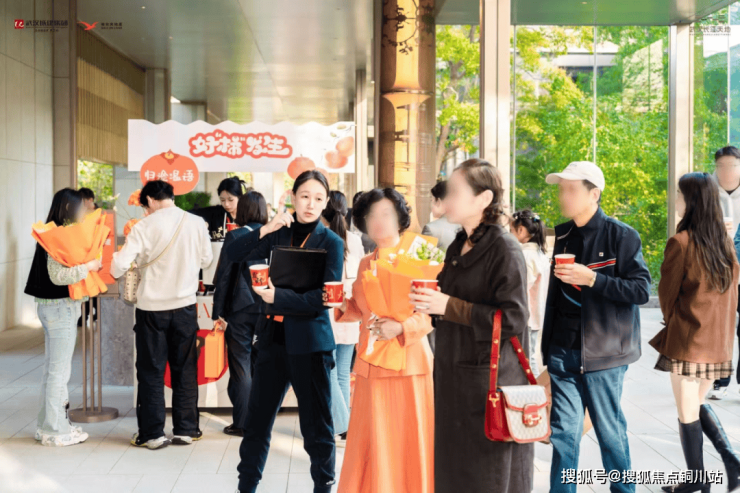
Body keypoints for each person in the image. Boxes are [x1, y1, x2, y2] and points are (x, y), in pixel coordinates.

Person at [410, 159, 532, 492]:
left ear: (483, 199)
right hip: (454, 380)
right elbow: (448, 302)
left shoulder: (504, 248)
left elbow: (514, 318)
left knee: (484, 476)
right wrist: (428, 302)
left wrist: (448, 306)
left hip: (488, 386)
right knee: (452, 473)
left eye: (455, 192)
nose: (446, 199)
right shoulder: (458, 243)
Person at [224, 170, 343, 493]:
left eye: (318, 198)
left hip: (311, 344)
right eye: (305, 196)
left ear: (325, 203)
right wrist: (266, 228)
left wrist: (278, 297)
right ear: (292, 197)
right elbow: (233, 254)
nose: (310, 204)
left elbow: (325, 298)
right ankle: (246, 487)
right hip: (271, 341)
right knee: (256, 424)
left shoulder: (331, 242)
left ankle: (323, 487)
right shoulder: (277, 233)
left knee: (317, 428)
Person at [540, 161, 651, 493]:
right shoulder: (563, 235)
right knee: (564, 434)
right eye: (561, 189)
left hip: (605, 353)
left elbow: (641, 290)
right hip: (562, 350)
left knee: (609, 432)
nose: (563, 196)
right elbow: (554, 298)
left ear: (594, 194)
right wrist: (547, 351)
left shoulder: (622, 235)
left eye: (571, 190)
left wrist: (593, 279)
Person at [330, 188, 434, 493]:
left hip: (409, 363)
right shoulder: (366, 261)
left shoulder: (420, 251)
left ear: (400, 218)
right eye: (371, 215)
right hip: (371, 364)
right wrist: (340, 304)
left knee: (408, 438)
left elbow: (433, 311)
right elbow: (360, 310)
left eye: (385, 213)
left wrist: (401, 327)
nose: (378, 221)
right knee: (373, 439)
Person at [651, 172, 740, 493]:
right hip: (718, 342)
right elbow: (732, 295)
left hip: (689, 340)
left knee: (687, 410)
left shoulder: (681, 242)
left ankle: (700, 479)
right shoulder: (725, 245)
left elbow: (666, 296)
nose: (675, 199)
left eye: (679, 194)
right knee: (697, 404)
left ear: (691, 201)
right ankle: (727, 463)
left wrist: (674, 321)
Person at [111, 180, 213, 450]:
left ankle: (152, 434)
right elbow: (206, 260)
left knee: (151, 371)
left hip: (151, 310)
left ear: (150, 200)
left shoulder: (143, 226)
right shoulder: (196, 223)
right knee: (185, 369)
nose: (145, 211)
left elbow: (117, 267)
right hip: (185, 307)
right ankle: (186, 430)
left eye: (145, 206)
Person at [24, 188, 102, 447]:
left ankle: (46, 427)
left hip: (50, 307)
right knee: (59, 373)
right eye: (81, 208)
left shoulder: (50, 233)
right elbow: (59, 277)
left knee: (52, 371)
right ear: (69, 208)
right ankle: (56, 431)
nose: (84, 212)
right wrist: (89, 266)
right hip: (61, 308)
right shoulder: (58, 236)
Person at [212, 191, 269, 438]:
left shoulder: (236, 236)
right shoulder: (274, 234)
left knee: (241, 366)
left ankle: (243, 423)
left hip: (240, 309)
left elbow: (224, 276)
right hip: (267, 307)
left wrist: (218, 311)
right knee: (261, 366)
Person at [320, 190, 363, 447]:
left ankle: (342, 424)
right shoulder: (355, 240)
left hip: (328, 312)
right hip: (350, 312)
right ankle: (346, 428)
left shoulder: (321, 238)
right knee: (343, 373)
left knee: (328, 371)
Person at [709, 145, 740, 400]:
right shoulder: (707, 193)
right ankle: (720, 380)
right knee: (721, 329)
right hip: (717, 270)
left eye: (732, 165)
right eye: (722, 166)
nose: (726, 171)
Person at [511, 209, 550, 377]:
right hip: (536, 315)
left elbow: (520, 287)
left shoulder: (525, 255)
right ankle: (535, 390)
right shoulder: (540, 253)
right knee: (530, 356)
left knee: (526, 359)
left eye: (511, 230)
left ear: (521, 230)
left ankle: (534, 391)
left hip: (525, 316)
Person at [421, 180, 460, 250]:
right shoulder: (465, 225)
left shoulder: (431, 229)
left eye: (432, 200)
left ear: (438, 201)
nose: (431, 206)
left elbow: (422, 255)